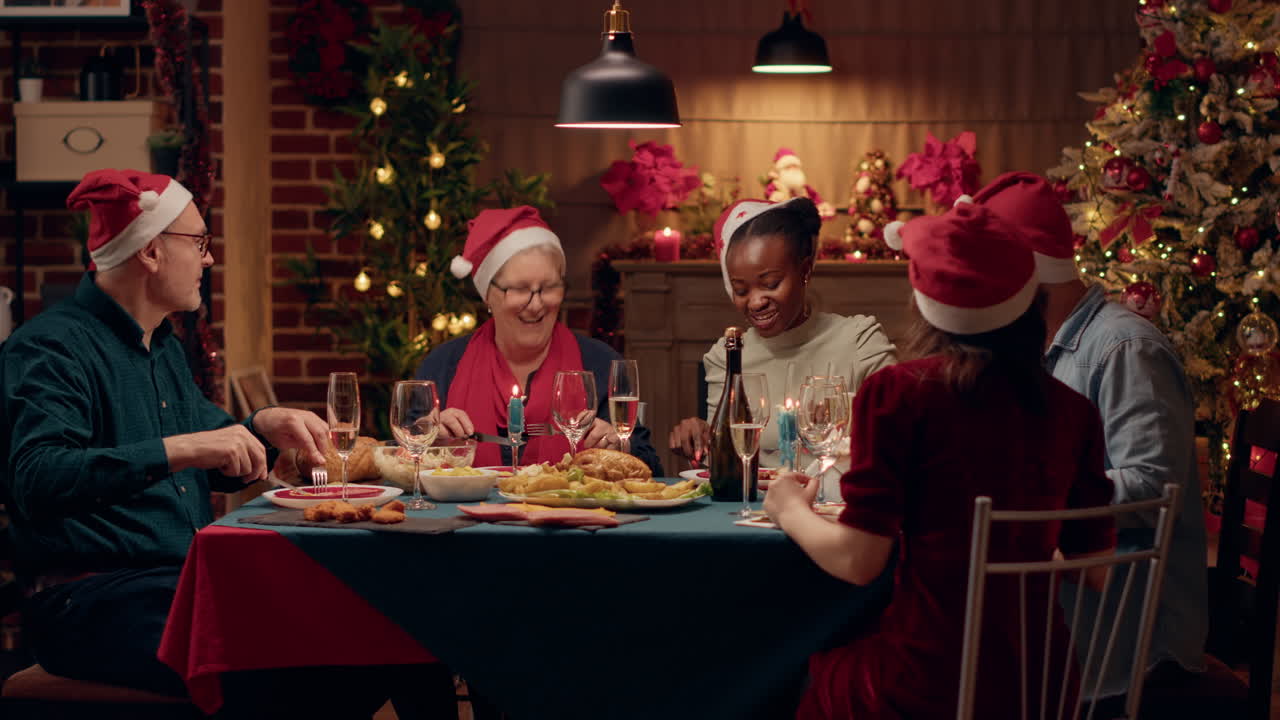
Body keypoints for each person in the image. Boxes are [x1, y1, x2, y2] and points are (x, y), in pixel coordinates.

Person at [0, 169, 453, 718]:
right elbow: (37, 477)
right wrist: (184, 449)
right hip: (92, 602)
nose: (209, 258)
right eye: (199, 243)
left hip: (184, 583)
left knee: (403, 621)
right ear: (150, 252)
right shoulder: (49, 348)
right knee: (305, 661)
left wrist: (263, 425)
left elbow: (219, 444)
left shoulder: (162, 346)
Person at [764, 202, 1117, 719]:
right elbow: (1097, 571)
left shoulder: (898, 394)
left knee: (803, 673)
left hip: (926, 682)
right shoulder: (1073, 410)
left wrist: (789, 508)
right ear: (1029, 298)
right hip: (1041, 689)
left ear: (925, 301)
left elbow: (860, 562)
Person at [970, 171, 1209, 703]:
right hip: (1070, 595)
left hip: (1126, 631)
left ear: (1029, 274)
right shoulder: (1034, 346)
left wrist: (1030, 492)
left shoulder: (1125, 349)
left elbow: (1153, 485)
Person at [416, 205, 663, 474]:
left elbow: (652, 469)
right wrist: (428, 442)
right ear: (487, 295)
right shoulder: (442, 366)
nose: (536, 305)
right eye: (520, 289)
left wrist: (620, 447)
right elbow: (401, 464)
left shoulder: (601, 363)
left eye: (549, 288)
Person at [668, 197, 896, 469]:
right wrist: (700, 438)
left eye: (771, 284)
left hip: (843, 497)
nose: (755, 302)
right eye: (740, 290)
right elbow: (727, 466)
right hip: (759, 498)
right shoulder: (727, 355)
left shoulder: (861, 341)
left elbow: (903, 433)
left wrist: (850, 413)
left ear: (805, 270)